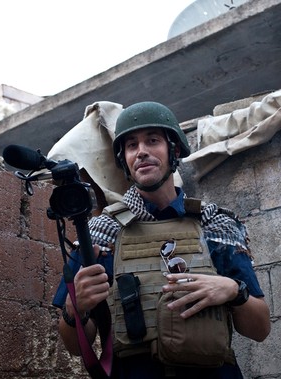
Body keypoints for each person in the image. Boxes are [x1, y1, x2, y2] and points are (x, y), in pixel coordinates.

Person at [58, 101, 270, 378]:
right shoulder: (100, 233)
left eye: (153, 141)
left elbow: (260, 329)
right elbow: (75, 346)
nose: (142, 151)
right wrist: (75, 309)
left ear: (175, 150)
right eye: (131, 145)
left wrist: (233, 290)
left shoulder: (215, 224)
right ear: (124, 159)